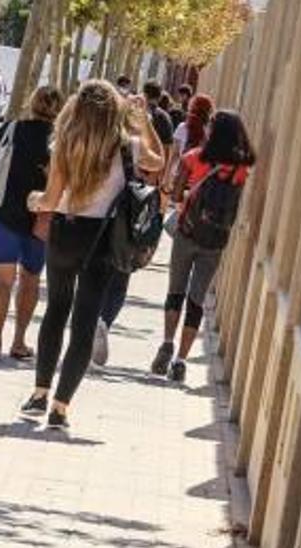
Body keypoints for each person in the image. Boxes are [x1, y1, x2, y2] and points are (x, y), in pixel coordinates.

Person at [21, 80, 162, 430]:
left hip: (66, 233)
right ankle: (61, 407)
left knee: (56, 309)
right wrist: (143, 121)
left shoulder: (64, 144)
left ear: (77, 108)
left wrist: (34, 201)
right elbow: (158, 162)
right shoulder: (127, 146)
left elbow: (50, 201)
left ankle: (39, 392)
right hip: (102, 238)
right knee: (85, 322)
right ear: (114, 111)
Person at [152, 110, 256, 382]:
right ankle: (181, 360)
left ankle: (166, 342)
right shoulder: (241, 169)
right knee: (196, 300)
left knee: (175, 291)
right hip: (215, 241)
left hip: (187, 234)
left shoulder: (193, 157)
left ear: (214, 130)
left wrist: (186, 196)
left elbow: (175, 195)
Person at [92, 82, 175, 365]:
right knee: (119, 277)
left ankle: (89, 323)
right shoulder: (136, 144)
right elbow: (159, 163)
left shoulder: (99, 137)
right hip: (126, 217)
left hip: (93, 216)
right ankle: (103, 322)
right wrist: (147, 124)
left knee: (93, 277)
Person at [0, 86, 65, 362]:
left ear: (32, 102)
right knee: (31, 279)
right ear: (59, 109)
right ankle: (18, 341)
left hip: (3, 213)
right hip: (41, 217)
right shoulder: (61, 140)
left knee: (1, 280)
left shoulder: (10, 129)